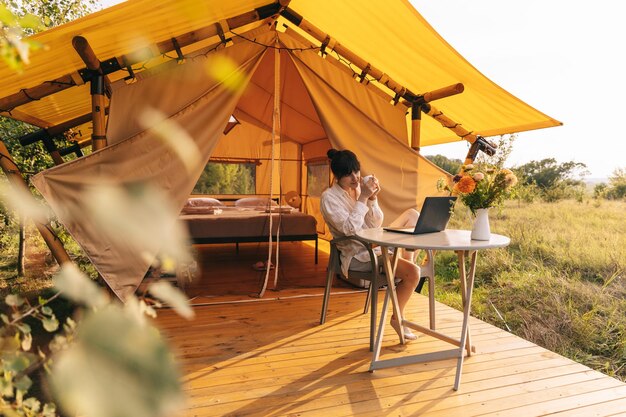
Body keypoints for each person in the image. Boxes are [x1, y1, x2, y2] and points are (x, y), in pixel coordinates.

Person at [320, 148, 421, 340]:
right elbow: (350, 230)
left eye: (356, 172)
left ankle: (403, 262)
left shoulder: (358, 188)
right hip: (360, 254)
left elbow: (375, 224)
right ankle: (397, 318)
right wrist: (363, 198)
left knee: (413, 215)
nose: (355, 178)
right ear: (337, 176)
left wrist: (373, 199)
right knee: (413, 273)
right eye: (348, 175)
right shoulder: (329, 198)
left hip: (375, 243)